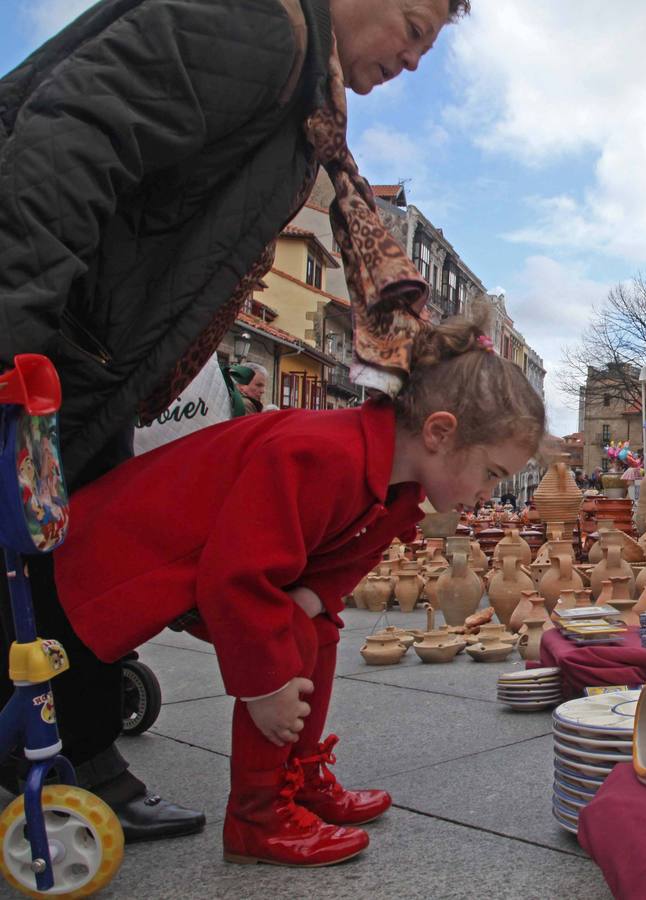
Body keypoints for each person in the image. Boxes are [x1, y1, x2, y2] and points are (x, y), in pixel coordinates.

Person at [0, 0, 469, 841]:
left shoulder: (306, 102)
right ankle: (78, 758)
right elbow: (74, 132)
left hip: (92, 348)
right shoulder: (260, 29)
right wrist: (15, 333)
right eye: (412, 26)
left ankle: (77, 752)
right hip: (55, 340)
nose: (413, 59)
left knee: (56, 557)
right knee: (64, 561)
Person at [51, 319, 544, 866]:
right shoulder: (319, 454)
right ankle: (256, 819)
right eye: (492, 473)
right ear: (439, 433)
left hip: (200, 561)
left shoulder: (397, 479)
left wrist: (310, 604)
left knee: (315, 629)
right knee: (282, 639)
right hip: (122, 558)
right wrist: (268, 685)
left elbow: (347, 560)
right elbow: (239, 575)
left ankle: (296, 777)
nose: (489, 493)